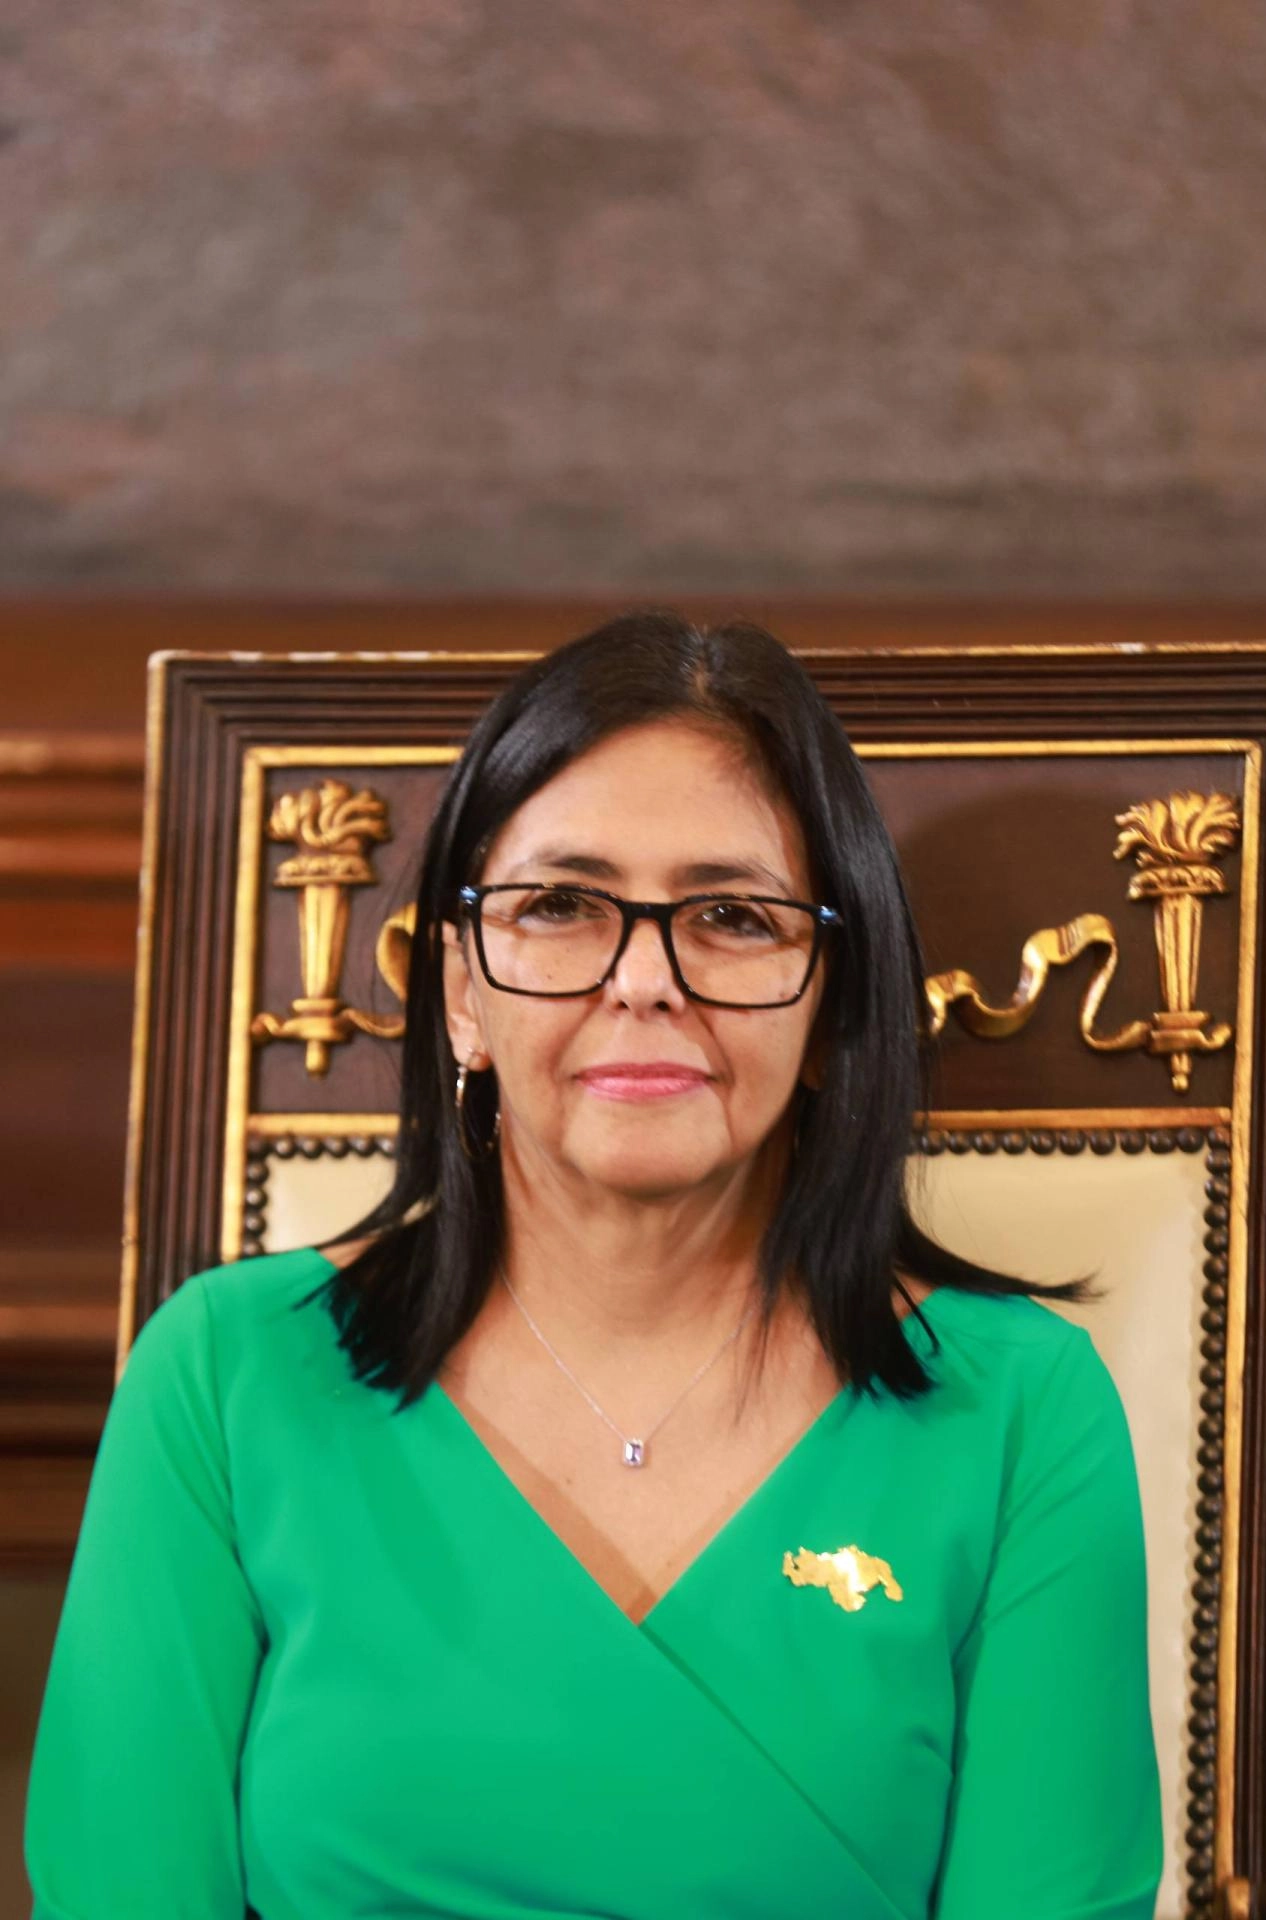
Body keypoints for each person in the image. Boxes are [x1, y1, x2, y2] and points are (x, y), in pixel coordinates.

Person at [25, 610, 1163, 1919]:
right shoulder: (225, 1374)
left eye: (732, 915)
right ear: (462, 991)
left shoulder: (1023, 1411)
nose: (644, 981)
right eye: (562, 905)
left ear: (833, 1004)